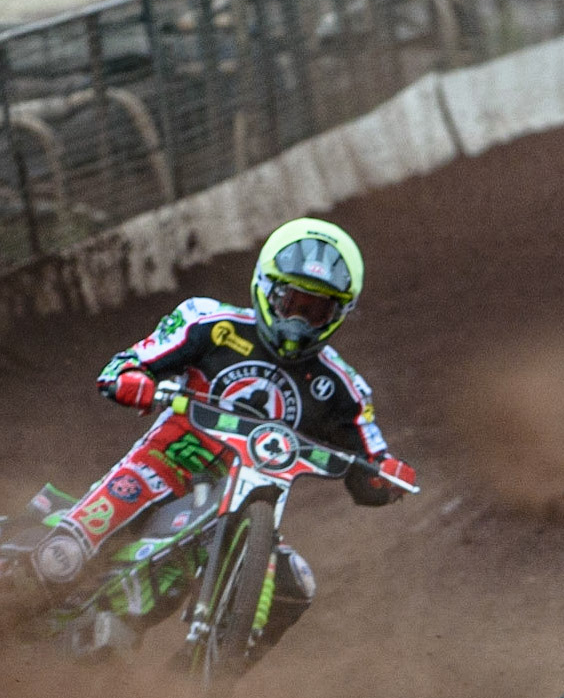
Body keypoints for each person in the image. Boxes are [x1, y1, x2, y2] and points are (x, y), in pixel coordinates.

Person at [28, 217, 417, 651]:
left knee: (296, 584)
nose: (299, 324)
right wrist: (135, 382)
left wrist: (385, 476)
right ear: (268, 289)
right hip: (163, 463)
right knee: (62, 556)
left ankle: (205, 683)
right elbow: (126, 366)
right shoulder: (209, 324)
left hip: (237, 511)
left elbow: (371, 462)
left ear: (337, 315)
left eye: (316, 312)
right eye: (292, 303)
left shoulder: (341, 387)